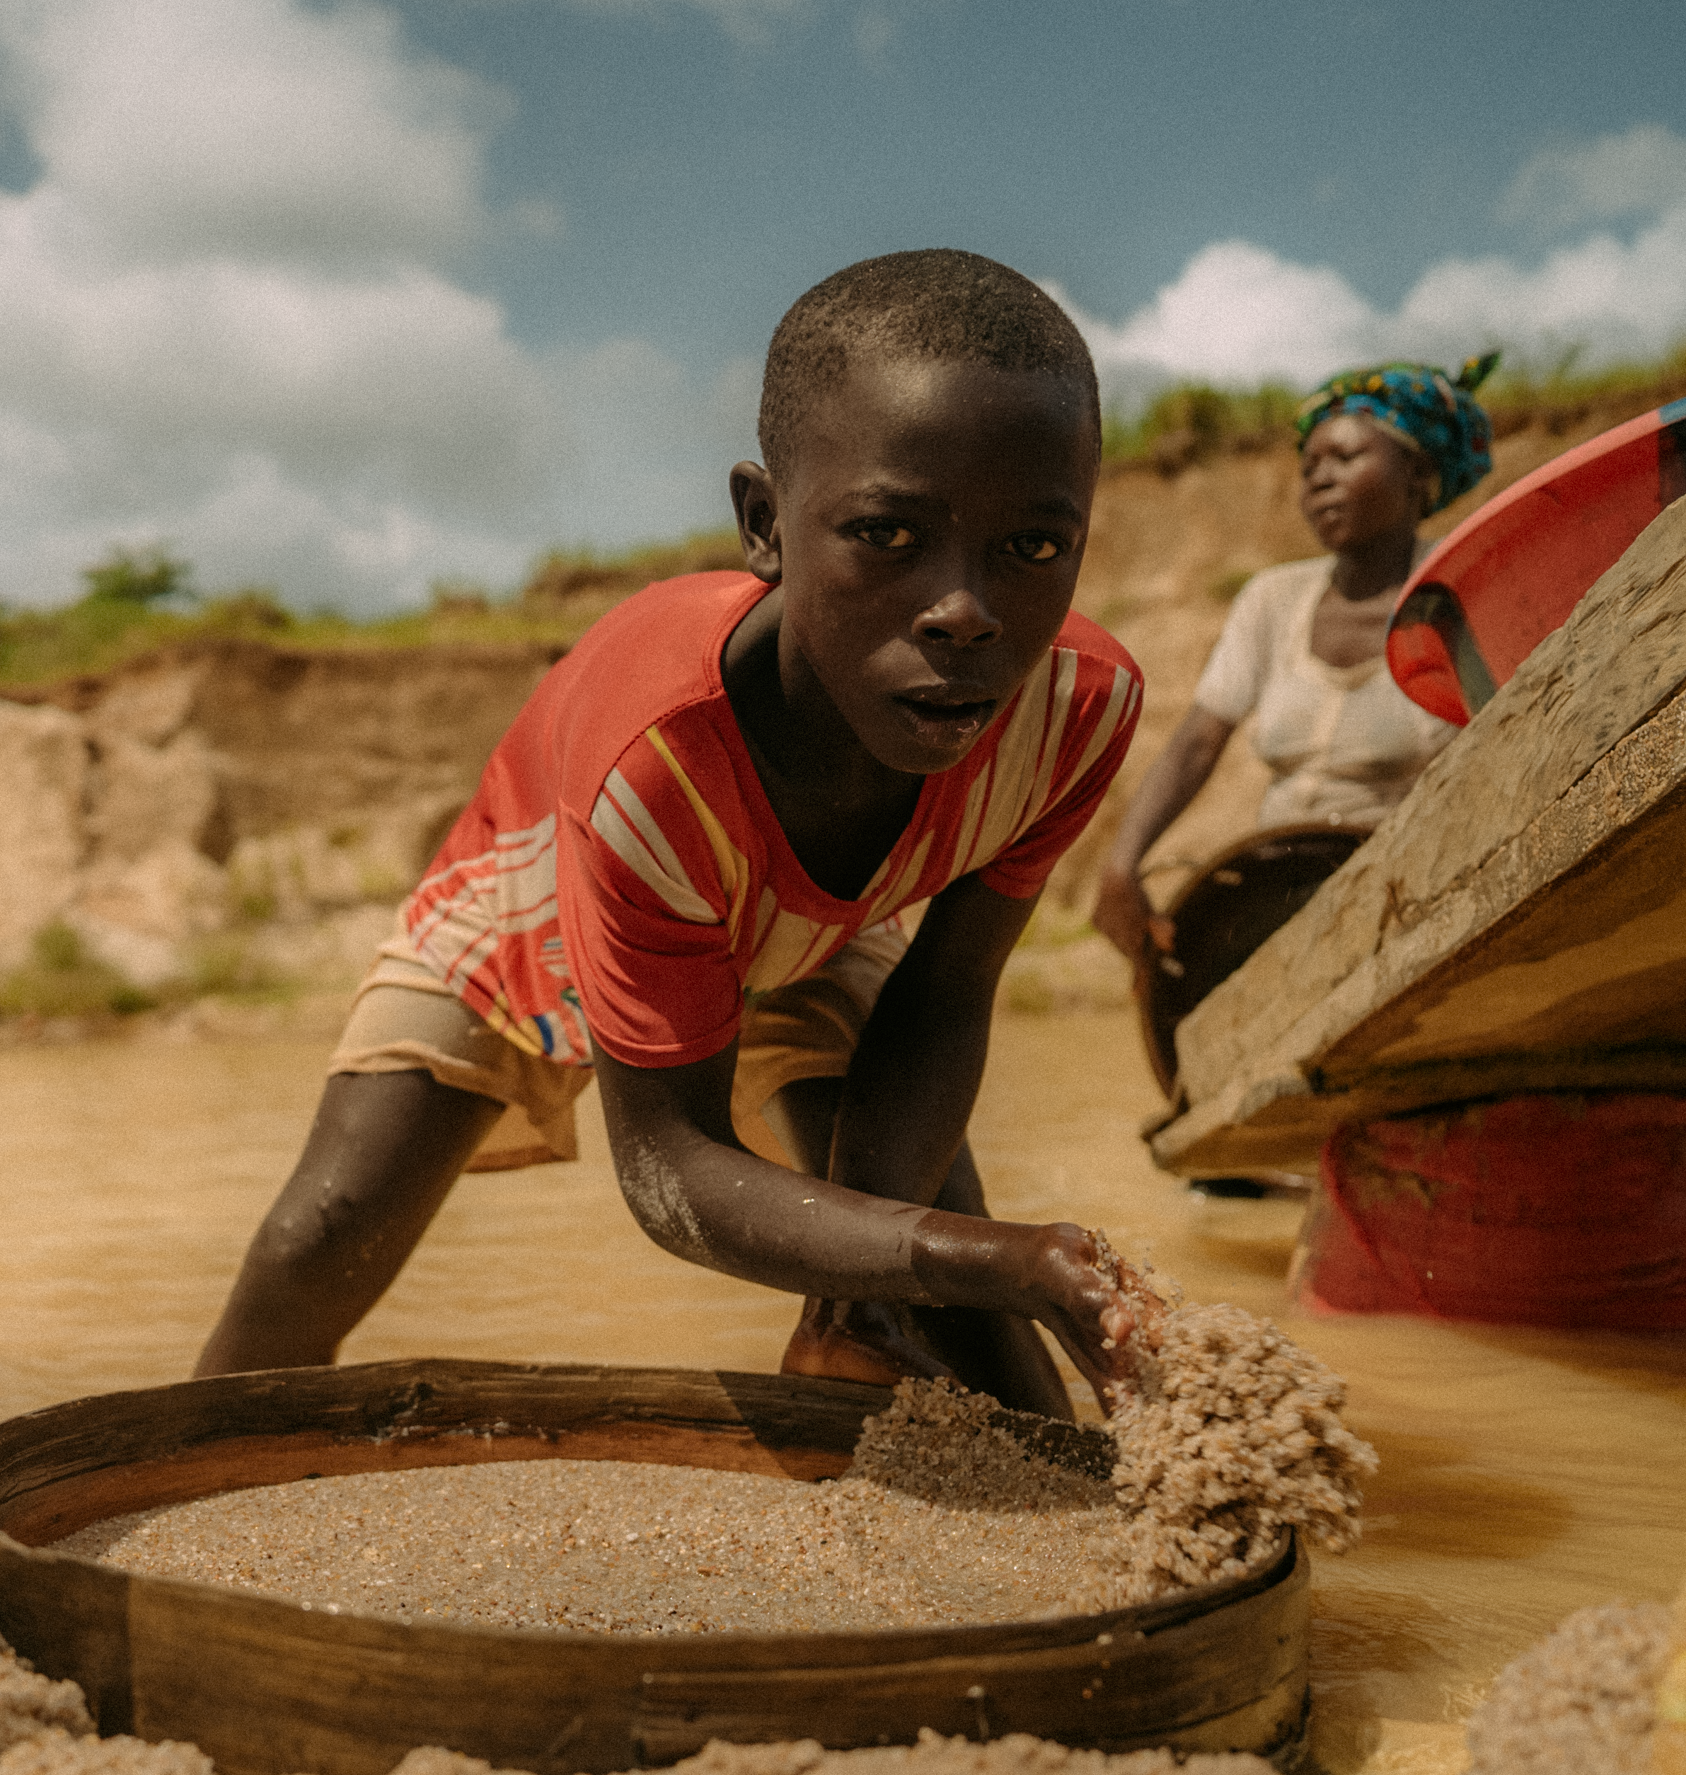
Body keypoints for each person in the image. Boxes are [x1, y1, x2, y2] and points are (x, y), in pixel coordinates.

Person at [192, 251, 1149, 1413]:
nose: (965, 610)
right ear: (765, 524)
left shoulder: (1072, 711)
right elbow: (669, 1168)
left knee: (923, 1218)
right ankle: (169, 1481)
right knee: (325, 1233)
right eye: (888, 536)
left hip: (818, 925)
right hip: (549, 882)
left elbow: (946, 994)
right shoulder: (652, 762)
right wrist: (988, 1262)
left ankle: (1070, 1500)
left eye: (1036, 547)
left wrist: (918, 1284)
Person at [1091, 354, 1498, 963]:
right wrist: (1122, 864)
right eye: (1309, 466)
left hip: (1413, 904)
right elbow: (1200, 739)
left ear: (1416, 470)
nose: (1319, 479)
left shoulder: (1463, 593)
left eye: (1344, 457)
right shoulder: (1272, 600)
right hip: (1275, 898)